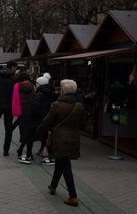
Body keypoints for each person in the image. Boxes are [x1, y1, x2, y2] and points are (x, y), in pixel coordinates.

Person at [36, 79, 85, 207]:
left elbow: (47, 121)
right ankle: (53, 186)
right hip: (73, 138)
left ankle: (73, 196)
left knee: (65, 166)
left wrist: (38, 132)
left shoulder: (56, 105)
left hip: (59, 138)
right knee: (60, 161)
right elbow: (83, 124)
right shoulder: (79, 106)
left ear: (63, 90)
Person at [33, 76, 55, 164]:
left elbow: (36, 107)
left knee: (43, 135)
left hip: (41, 117)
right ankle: (45, 151)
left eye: (37, 83)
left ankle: (50, 155)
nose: (36, 84)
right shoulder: (50, 92)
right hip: (48, 116)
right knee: (46, 135)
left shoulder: (40, 94)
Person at [15, 73, 36, 164]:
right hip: (31, 112)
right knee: (30, 133)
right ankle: (28, 152)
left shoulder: (18, 87)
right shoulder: (33, 87)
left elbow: (16, 99)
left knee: (24, 132)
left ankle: (26, 152)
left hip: (22, 112)